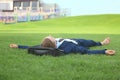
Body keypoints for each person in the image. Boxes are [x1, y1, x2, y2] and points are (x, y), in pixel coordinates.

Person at [10, 36, 115, 55]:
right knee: (87, 45)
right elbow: (86, 52)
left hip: (73, 40)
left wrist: (18, 46)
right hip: (76, 44)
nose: (51, 35)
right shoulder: (68, 48)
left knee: (90, 41)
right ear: (54, 43)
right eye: (51, 37)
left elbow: (31, 47)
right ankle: (102, 45)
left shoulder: (46, 44)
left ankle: (101, 42)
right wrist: (104, 51)